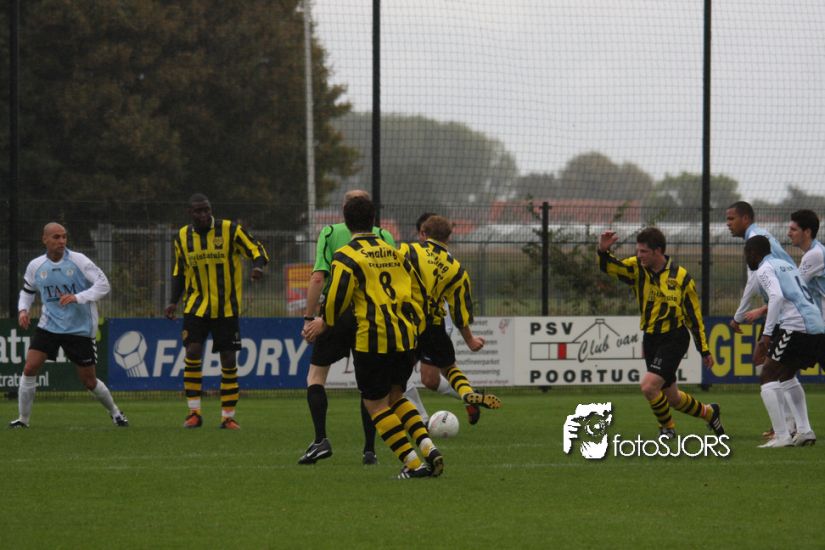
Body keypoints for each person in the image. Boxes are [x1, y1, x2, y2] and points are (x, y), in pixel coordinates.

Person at [318, 194, 442, 478]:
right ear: (374, 220)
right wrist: (416, 326)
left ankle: (414, 464)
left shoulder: (346, 256)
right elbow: (419, 293)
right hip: (404, 337)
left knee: (375, 404)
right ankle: (429, 448)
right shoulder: (396, 253)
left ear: (346, 222)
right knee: (397, 396)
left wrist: (327, 322)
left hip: (372, 339)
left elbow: (336, 300)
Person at [298, 189, 395, 466]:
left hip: (336, 313)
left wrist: (309, 318)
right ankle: (369, 450)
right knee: (370, 386)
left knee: (316, 376)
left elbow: (319, 278)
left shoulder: (330, 233)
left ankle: (320, 440)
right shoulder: (384, 235)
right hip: (371, 316)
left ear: (345, 210)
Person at [597, 227, 723, 439]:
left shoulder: (681, 277)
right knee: (672, 398)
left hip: (674, 338)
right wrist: (602, 251)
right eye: (638, 251)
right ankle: (709, 413)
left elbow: (694, 317)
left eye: (644, 251)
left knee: (648, 386)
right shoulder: (637, 269)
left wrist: (704, 349)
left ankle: (667, 429)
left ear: (658, 251)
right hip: (651, 338)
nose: (639, 255)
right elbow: (611, 267)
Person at [164, 193, 269, 430]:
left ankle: (227, 417)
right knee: (192, 352)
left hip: (226, 308)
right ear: (190, 213)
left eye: (207, 210)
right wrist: (172, 302)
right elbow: (179, 272)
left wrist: (258, 267)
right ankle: (194, 413)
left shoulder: (230, 230)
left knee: (229, 358)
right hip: (195, 307)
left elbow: (257, 249)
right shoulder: (182, 237)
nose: (204, 215)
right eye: (198, 211)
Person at [9, 222, 128, 428]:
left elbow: (103, 285)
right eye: (56, 237)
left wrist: (77, 297)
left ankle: (116, 413)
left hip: (79, 329)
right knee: (30, 367)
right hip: (49, 325)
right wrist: (23, 310)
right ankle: (23, 420)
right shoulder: (36, 265)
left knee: (89, 381)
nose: (62, 241)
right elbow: (28, 291)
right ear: (45, 239)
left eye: (64, 236)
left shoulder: (79, 261)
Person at [399, 214, 501, 425]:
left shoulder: (408, 251)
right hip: (434, 326)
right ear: (448, 237)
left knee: (397, 377)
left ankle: (421, 420)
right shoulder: (456, 269)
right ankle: (466, 393)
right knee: (449, 368)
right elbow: (460, 310)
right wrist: (470, 340)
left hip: (406, 323)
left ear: (423, 233)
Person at [726, 201, 797, 438]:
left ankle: (788, 426)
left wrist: (739, 316)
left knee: (773, 367)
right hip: (782, 308)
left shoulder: (755, 241)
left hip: (787, 311)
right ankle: (788, 424)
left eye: (731, 219)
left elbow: (754, 282)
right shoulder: (760, 236)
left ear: (745, 219)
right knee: (767, 363)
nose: (728, 224)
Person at [744, 236, 821, 448]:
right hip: (816, 324)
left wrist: (766, 336)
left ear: (753, 253)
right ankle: (804, 431)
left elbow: (776, 297)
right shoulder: (786, 264)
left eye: (746, 254)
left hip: (796, 325)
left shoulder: (764, 268)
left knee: (767, 374)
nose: (746, 259)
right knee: (786, 374)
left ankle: (782, 435)